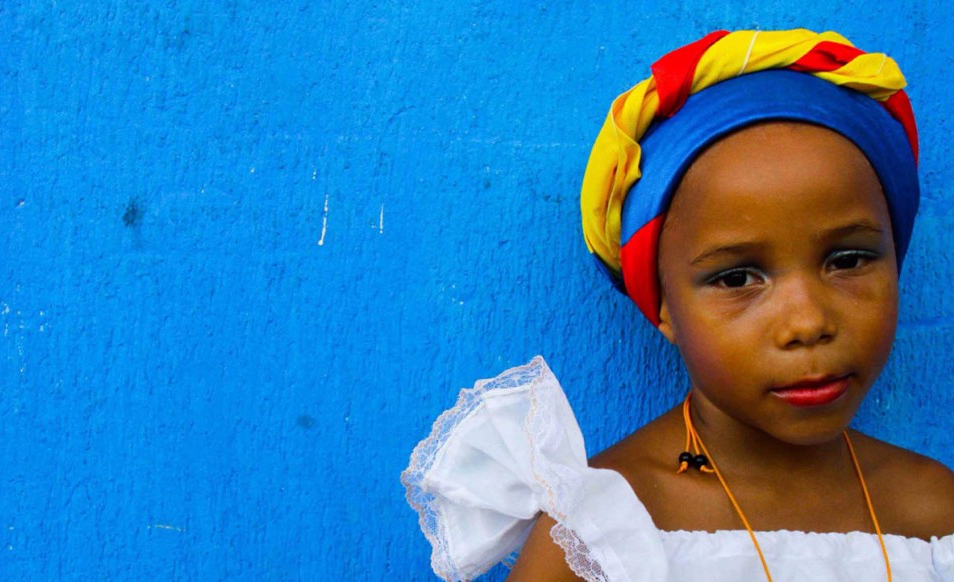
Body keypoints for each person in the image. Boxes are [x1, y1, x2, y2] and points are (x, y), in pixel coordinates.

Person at [401, 29, 954, 581]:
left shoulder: (936, 517)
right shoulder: (600, 539)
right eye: (737, 277)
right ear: (663, 305)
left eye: (849, 260)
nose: (808, 322)